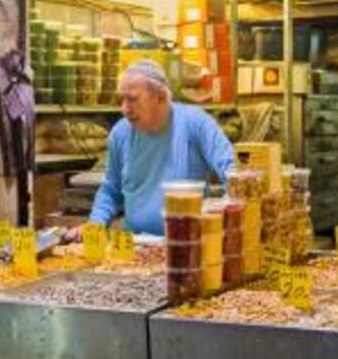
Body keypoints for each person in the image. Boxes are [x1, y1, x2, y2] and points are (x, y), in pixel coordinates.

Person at [88, 59, 235, 236]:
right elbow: (111, 190)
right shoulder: (120, 133)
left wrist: (225, 216)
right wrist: (94, 227)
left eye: (133, 99)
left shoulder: (196, 124)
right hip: (135, 247)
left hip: (187, 246)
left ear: (160, 97)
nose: (124, 109)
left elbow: (232, 173)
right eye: (122, 100)